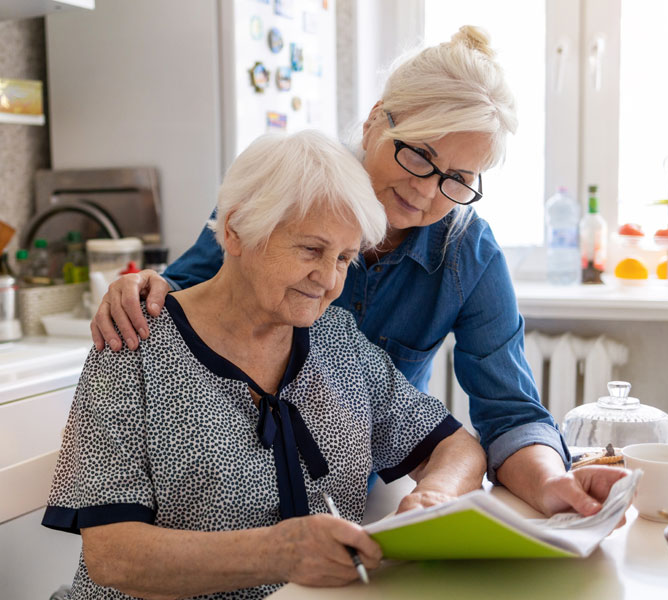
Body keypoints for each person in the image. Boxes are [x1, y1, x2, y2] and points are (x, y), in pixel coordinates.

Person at [90, 26, 628, 519]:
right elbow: (187, 296)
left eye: (457, 178)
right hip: (229, 495)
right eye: (419, 154)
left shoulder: (469, 253)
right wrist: (141, 286)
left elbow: (509, 413)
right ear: (376, 121)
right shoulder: (288, 190)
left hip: (357, 494)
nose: (424, 189)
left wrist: (552, 482)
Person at [43, 130, 488, 599]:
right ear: (235, 230)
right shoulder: (135, 343)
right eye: (311, 250)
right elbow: (113, 555)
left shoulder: (337, 341)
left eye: (344, 258)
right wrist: (278, 553)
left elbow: (458, 447)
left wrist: (433, 497)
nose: (328, 279)